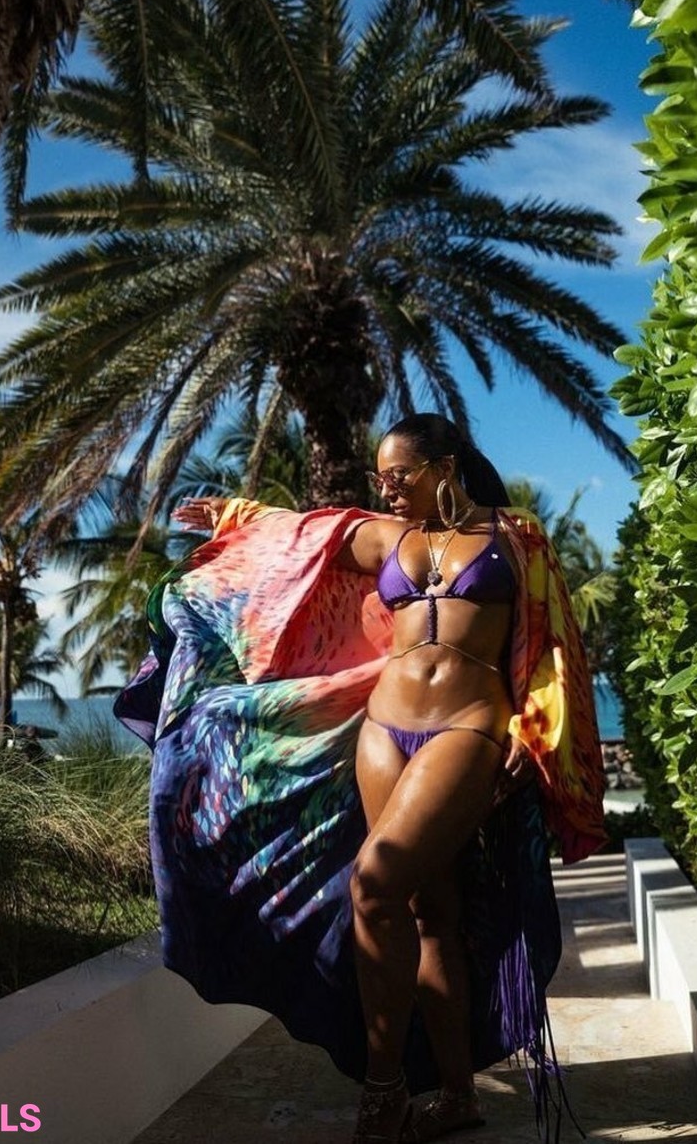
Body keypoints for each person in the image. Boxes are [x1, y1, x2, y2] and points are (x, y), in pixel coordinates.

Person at [116, 413, 606, 1144]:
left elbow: (552, 638)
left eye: (399, 475)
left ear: (444, 467)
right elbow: (299, 536)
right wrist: (235, 515)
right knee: (426, 910)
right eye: (381, 478)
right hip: (383, 728)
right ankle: (458, 1094)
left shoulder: (515, 534)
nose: (387, 489)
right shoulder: (386, 538)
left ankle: (384, 1090)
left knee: (372, 882)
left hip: (469, 726)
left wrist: (534, 726)